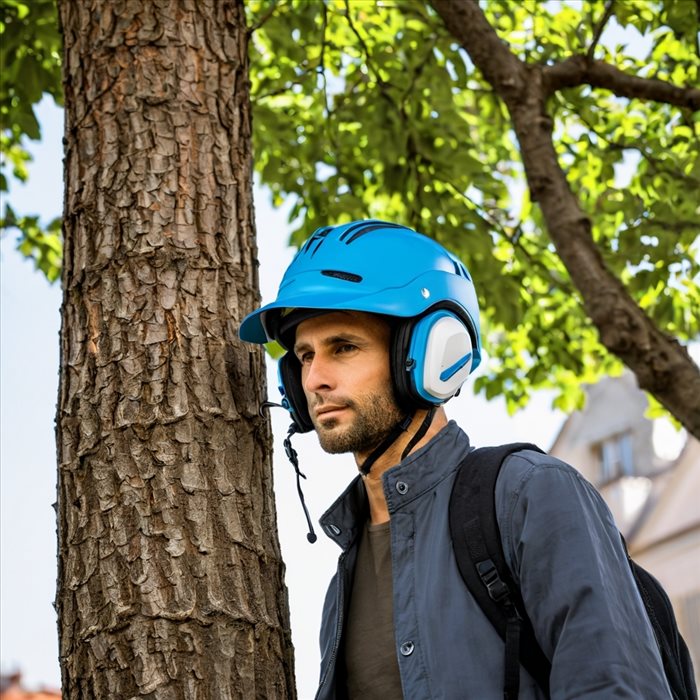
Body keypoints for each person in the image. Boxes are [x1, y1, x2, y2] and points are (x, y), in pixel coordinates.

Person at [239, 220, 672, 699]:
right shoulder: (342, 581)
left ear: (428, 352)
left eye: (343, 347)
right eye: (303, 356)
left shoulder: (530, 495)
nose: (315, 378)